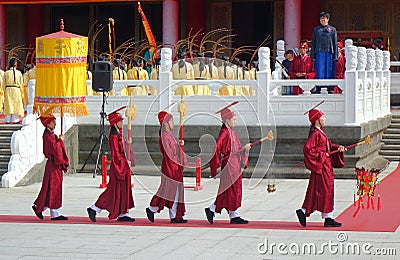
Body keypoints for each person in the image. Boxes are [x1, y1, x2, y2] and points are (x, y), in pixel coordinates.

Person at [296, 107, 346, 228]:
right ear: (317, 120)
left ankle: (305, 211)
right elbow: (308, 149)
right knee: (325, 190)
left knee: (317, 190)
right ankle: (327, 217)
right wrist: (323, 155)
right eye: (323, 117)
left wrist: (338, 148)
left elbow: (327, 146)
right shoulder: (315, 134)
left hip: (325, 166)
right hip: (322, 167)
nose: (325, 119)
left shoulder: (320, 132)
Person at [205, 102, 252, 224]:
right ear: (227, 121)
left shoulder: (232, 132)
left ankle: (215, 210)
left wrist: (244, 149)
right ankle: (231, 214)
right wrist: (215, 164)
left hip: (234, 164)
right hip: (229, 165)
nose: (235, 121)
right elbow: (217, 149)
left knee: (227, 190)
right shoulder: (224, 134)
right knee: (232, 189)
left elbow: (236, 149)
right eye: (233, 119)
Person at [87, 106, 135, 222]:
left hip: (123, 166)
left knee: (123, 190)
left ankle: (123, 213)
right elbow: (116, 155)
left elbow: (123, 149)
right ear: (115, 123)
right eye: (120, 121)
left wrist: (127, 143)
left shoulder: (119, 134)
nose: (122, 122)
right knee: (113, 191)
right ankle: (95, 208)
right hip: (119, 167)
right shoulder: (113, 137)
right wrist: (125, 162)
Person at [146, 111, 187, 224]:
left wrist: (180, 146)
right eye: (171, 121)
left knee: (176, 191)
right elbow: (169, 154)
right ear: (165, 124)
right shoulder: (164, 137)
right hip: (170, 167)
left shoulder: (170, 136)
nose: (173, 123)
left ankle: (175, 215)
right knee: (167, 191)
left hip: (175, 166)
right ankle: (152, 209)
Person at [32, 115, 69, 221]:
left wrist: (59, 140)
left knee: (50, 188)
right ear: (47, 124)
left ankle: (39, 207)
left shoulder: (51, 135)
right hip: (53, 165)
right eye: (53, 122)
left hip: (53, 165)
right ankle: (54, 212)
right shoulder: (48, 136)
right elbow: (55, 150)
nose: (55, 124)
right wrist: (60, 140)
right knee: (54, 188)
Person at [311, 12, 338, 94]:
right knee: (320, 70)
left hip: (329, 52)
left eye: (324, 18)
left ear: (328, 19)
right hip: (319, 52)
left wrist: (335, 55)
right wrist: (313, 55)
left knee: (329, 70)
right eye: (321, 18)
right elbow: (313, 43)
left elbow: (335, 43)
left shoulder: (332, 30)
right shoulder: (316, 30)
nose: (323, 20)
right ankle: (318, 87)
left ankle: (330, 87)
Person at [2, 58, 24, 124]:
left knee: (8, 105)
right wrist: (22, 94)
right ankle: (15, 120)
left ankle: (8, 120)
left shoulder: (6, 73)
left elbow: (3, 84)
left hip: (8, 90)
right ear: (16, 65)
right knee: (16, 105)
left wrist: (4, 92)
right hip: (17, 90)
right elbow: (21, 84)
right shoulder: (19, 73)